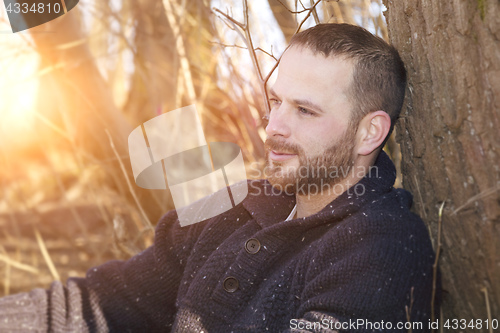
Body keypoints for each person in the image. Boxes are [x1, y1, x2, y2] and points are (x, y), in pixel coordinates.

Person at [0, 23, 439, 332]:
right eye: (276, 102)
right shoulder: (231, 206)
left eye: (304, 111)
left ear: (370, 132)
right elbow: (102, 303)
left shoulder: (383, 244)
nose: (273, 127)